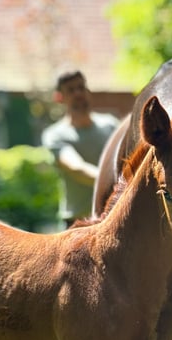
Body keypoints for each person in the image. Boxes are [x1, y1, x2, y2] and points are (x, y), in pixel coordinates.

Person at [42, 71, 120, 227]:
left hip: (112, 217)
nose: (78, 94)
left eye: (81, 87)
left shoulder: (110, 125)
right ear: (59, 97)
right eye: (71, 90)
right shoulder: (56, 135)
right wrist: (115, 182)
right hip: (77, 223)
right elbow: (76, 168)